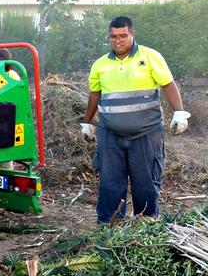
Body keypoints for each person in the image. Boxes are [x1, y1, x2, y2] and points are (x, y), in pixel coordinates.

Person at [81, 16, 191, 224]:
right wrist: (87, 122)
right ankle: (110, 224)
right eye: (113, 37)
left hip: (146, 134)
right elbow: (95, 94)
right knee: (110, 183)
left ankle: (146, 223)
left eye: (123, 36)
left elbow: (168, 84)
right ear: (109, 37)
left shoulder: (150, 57)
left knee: (146, 182)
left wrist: (179, 112)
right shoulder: (100, 65)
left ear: (132, 34)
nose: (118, 40)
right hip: (110, 135)